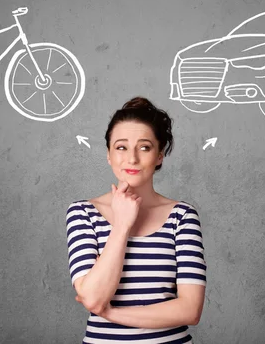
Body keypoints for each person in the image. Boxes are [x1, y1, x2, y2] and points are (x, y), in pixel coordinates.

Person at [65, 96, 207, 343]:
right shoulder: (83, 213)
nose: (132, 158)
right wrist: (121, 225)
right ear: (109, 154)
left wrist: (111, 313)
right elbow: (94, 297)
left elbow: (190, 310)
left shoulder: (182, 216)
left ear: (159, 156)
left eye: (144, 147)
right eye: (121, 147)